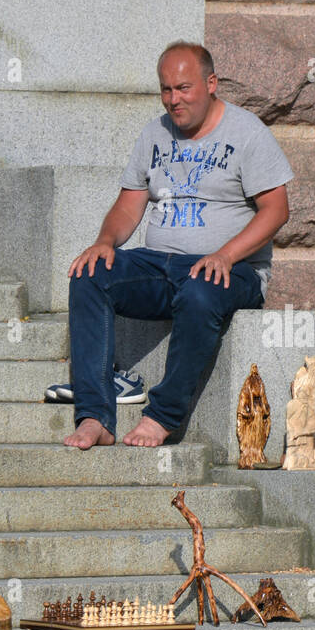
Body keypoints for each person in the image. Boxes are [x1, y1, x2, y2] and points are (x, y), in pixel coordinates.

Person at [64, 41, 292, 449]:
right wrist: (104, 241)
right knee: (90, 275)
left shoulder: (247, 133)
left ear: (211, 83)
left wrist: (225, 254)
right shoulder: (154, 134)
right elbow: (128, 207)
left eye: (184, 88)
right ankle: (95, 417)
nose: (174, 99)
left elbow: (276, 210)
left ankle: (162, 416)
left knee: (200, 292)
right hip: (161, 266)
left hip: (232, 270)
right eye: (166, 89)